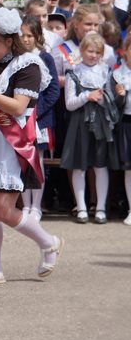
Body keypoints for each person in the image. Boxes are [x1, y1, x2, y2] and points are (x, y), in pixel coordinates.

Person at [0, 7, 64, 286]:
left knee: (5, 208)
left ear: (9, 40)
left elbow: (18, 107)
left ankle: (48, 242)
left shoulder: (29, 65)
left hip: (13, 143)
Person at [60, 33, 121, 224]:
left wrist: (102, 98)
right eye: (89, 51)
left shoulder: (106, 72)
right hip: (79, 123)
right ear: (82, 51)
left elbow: (111, 102)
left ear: (102, 54)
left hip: (101, 124)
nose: (93, 55)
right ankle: (82, 207)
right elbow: (69, 104)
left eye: (97, 52)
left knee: (100, 164)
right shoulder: (74, 72)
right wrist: (87, 96)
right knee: (79, 166)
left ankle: (101, 207)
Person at [19, 15, 60, 221]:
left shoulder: (45, 57)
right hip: (19, 118)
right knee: (23, 162)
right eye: (22, 35)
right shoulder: (16, 57)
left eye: (30, 35)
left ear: (37, 36)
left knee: (38, 161)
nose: (26, 39)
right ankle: (25, 205)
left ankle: (37, 205)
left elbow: (53, 90)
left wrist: (36, 111)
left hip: (39, 120)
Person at [51, 4, 115, 87]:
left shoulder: (107, 50)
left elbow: (113, 79)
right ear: (76, 24)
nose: (92, 28)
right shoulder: (62, 49)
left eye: (96, 25)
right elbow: (52, 80)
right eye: (88, 24)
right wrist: (73, 80)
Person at [111, 36, 131, 225]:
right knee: (129, 170)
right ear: (125, 52)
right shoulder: (119, 74)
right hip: (127, 124)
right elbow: (115, 106)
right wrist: (120, 96)